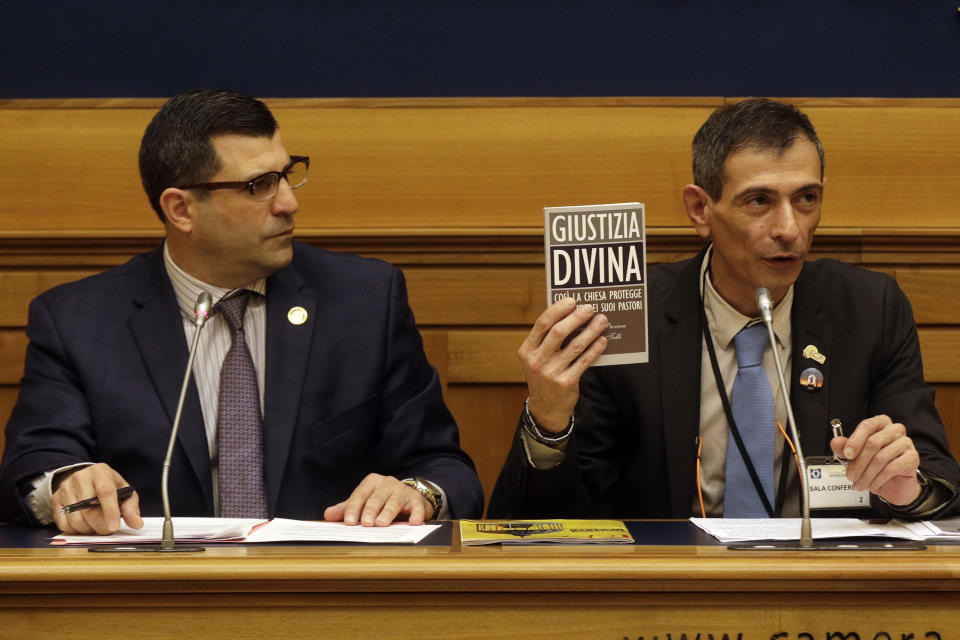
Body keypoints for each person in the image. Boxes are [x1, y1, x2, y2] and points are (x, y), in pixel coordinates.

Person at [0, 88, 483, 534]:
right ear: (181, 210)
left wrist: (417, 492)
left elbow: (445, 468)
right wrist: (68, 482)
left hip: (329, 596)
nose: (289, 203)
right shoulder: (78, 321)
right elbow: (33, 464)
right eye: (259, 186)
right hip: (154, 601)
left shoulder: (365, 301)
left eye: (287, 175)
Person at [489, 98, 960, 520]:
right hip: (667, 594)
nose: (790, 229)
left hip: (821, 592)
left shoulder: (869, 309)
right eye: (759, 201)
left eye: (807, 198)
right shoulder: (627, 316)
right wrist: (548, 421)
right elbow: (545, 521)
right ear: (699, 210)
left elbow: (941, 482)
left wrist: (906, 489)